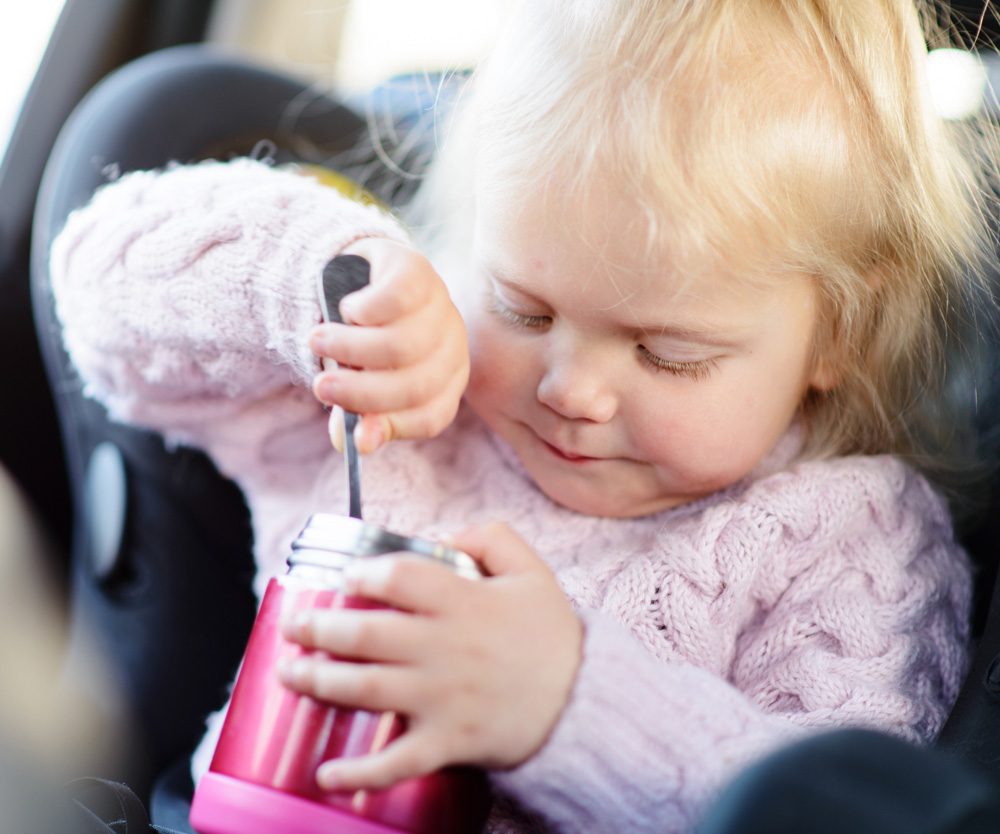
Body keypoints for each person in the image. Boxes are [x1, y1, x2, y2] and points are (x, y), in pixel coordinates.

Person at [48, 0, 1000, 831]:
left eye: (667, 354)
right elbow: (96, 294)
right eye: (524, 308)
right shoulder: (404, 412)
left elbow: (841, 808)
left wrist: (572, 708)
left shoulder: (853, 543)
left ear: (839, 330)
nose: (570, 389)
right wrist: (323, 284)